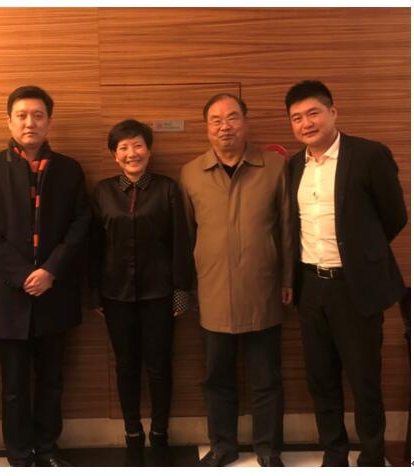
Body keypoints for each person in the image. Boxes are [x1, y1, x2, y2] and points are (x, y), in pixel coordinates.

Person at [285, 80, 407, 467]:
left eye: (313, 113)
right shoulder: (294, 165)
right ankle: (334, 454)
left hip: (355, 288)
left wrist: (360, 256)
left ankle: (372, 456)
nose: (306, 123)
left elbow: (394, 216)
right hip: (311, 288)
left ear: (333, 112)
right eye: (297, 118)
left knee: (364, 378)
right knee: (321, 378)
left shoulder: (369, 155)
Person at [0, 85, 90, 467]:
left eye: (38, 115)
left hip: (55, 292)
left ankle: (48, 449)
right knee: (14, 386)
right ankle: (20, 456)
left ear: (49, 121)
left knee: (52, 382)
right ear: (8, 121)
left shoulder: (69, 169)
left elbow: (81, 224)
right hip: (8, 297)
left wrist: (51, 270)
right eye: (21, 115)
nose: (30, 123)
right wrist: (24, 275)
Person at [180, 93, 292, 467]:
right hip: (212, 291)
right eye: (216, 120)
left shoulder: (274, 166)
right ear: (207, 127)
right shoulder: (191, 172)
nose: (224, 126)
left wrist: (288, 279)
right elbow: (186, 234)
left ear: (245, 121)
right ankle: (223, 445)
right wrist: (189, 288)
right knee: (216, 378)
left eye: (232, 117)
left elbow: (288, 229)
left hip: (263, 288)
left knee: (267, 377)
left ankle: (268, 448)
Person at [89, 119, 192, 466]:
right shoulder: (103, 192)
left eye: (137, 145)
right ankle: (132, 432)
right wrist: (95, 293)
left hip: (159, 294)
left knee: (160, 366)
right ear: (114, 155)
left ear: (149, 150)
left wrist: (181, 290)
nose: (131, 153)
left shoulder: (167, 189)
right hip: (115, 295)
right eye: (123, 147)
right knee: (126, 366)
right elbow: (94, 246)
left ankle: (160, 433)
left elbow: (180, 242)